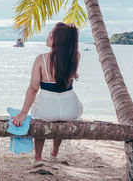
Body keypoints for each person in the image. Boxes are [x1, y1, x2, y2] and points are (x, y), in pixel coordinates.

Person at [12, 22, 83, 165]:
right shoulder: (76, 56)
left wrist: (23, 113)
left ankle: (38, 157)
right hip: (70, 109)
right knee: (61, 119)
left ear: (56, 38)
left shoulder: (41, 59)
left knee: (40, 118)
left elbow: (33, 89)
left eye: (51, 32)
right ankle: (55, 150)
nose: (48, 35)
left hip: (46, 110)